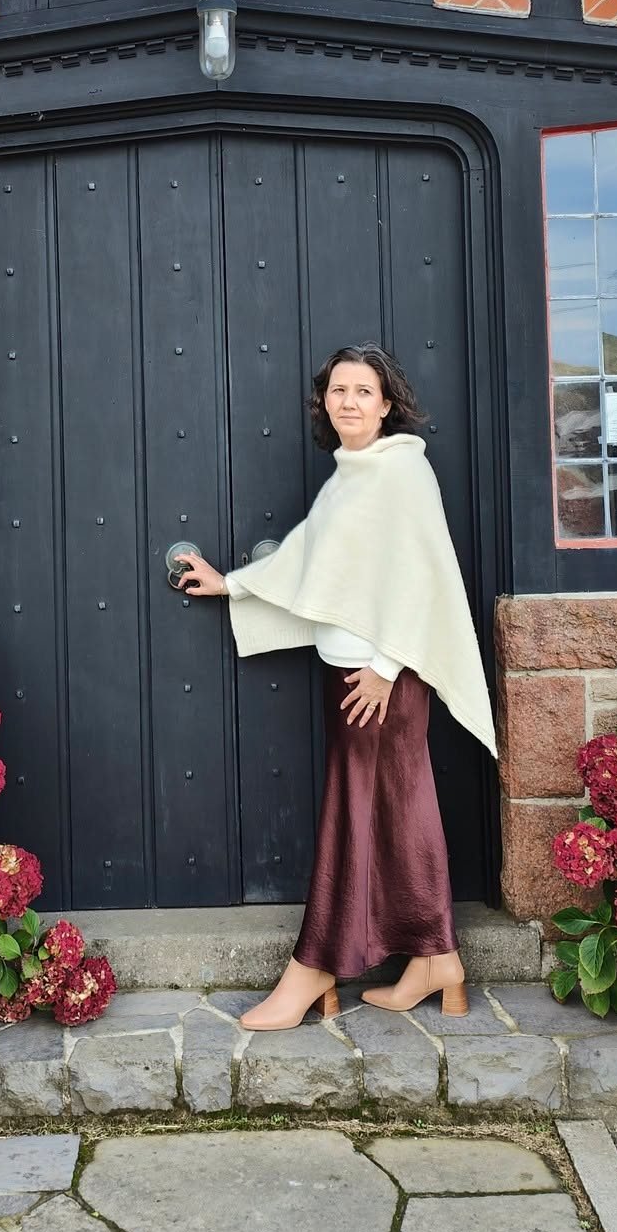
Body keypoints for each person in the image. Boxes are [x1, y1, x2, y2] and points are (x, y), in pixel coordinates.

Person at [173, 343, 497, 1031]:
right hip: (352, 674)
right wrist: (232, 584)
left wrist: (386, 664)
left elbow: (423, 575)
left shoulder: (402, 473)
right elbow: (311, 566)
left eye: (363, 391)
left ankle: (315, 966)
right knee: (393, 810)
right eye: (338, 390)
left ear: (387, 404)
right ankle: (436, 959)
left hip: (378, 681)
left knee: (358, 813)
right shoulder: (352, 475)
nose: (348, 401)